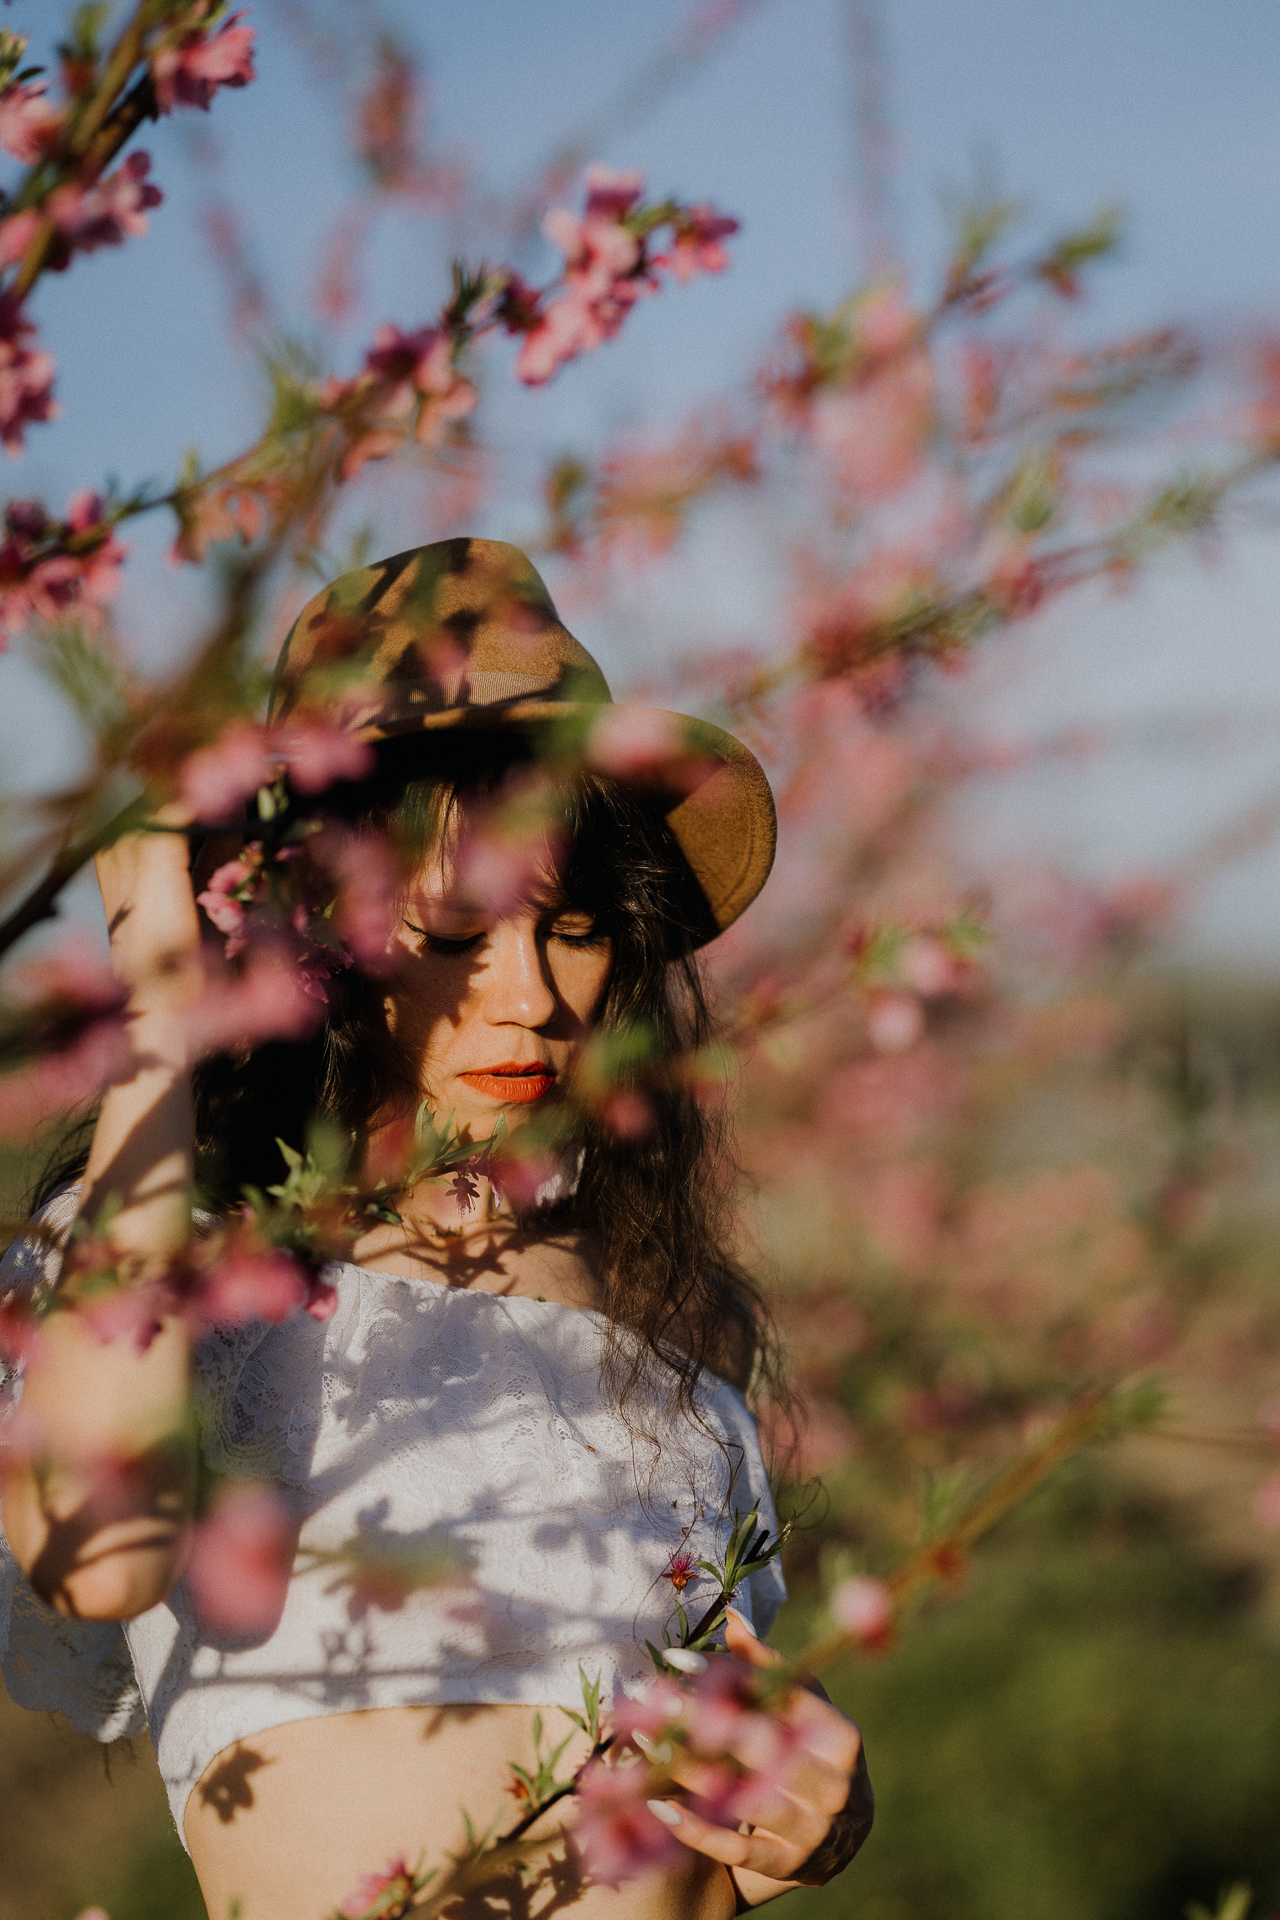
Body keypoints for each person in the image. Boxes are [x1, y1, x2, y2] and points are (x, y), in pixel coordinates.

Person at [0, 539, 872, 1919]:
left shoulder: (664, 1301)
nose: (530, 995)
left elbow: (707, 1754)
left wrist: (814, 1802)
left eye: (576, 928)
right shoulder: (189, 1248)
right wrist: (164, 1014)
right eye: (459, 935)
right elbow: (90, 1545)